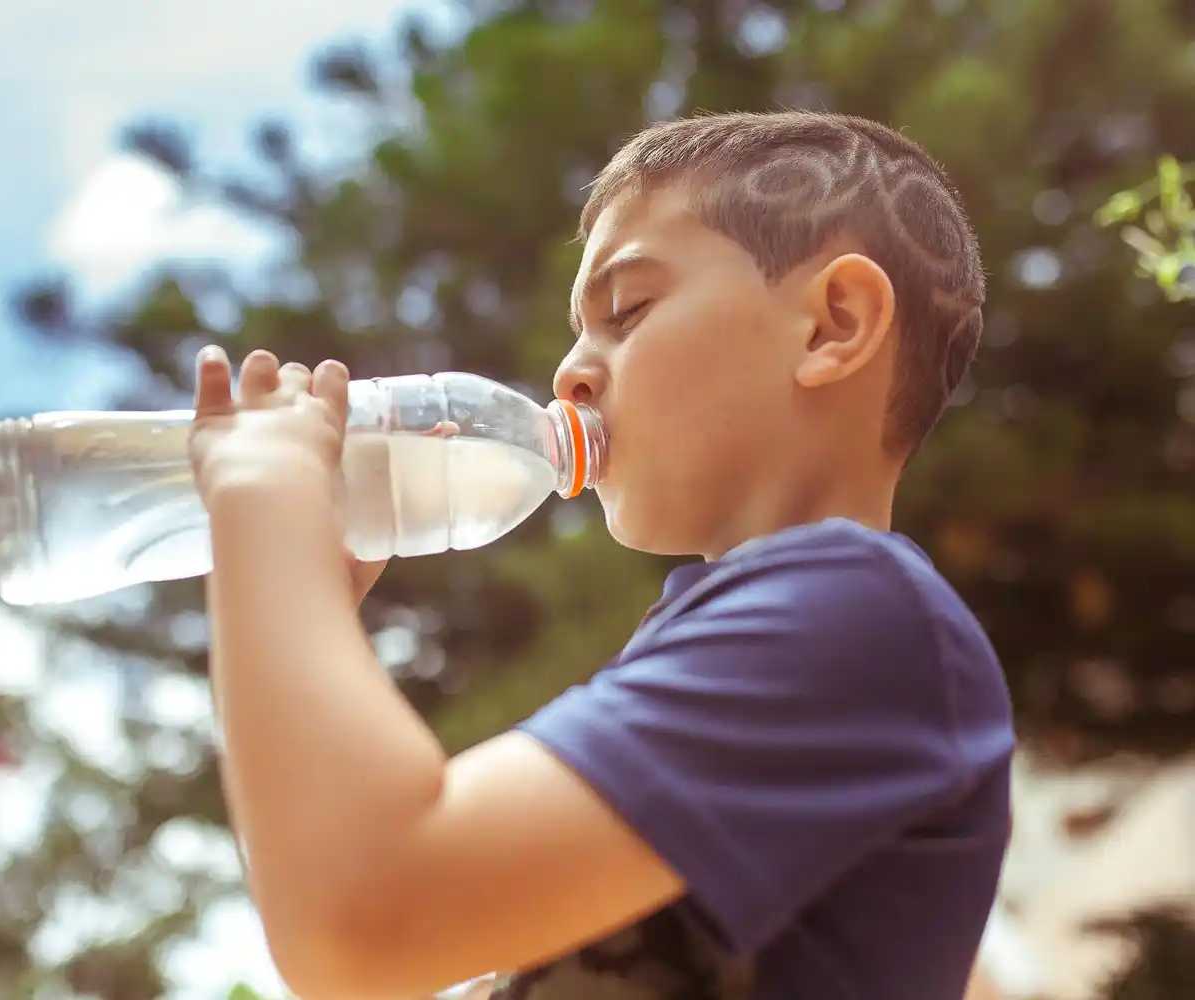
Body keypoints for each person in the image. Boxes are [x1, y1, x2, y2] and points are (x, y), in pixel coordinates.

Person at [186, 110, 1015, 1000]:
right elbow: (345, 919)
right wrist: (306, 612)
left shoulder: (860, 615)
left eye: (627, 310)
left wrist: (265, 497)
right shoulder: (726, 647)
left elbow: (362, 919)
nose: (569, 374)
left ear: (832, 325)